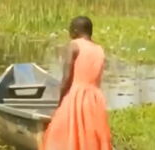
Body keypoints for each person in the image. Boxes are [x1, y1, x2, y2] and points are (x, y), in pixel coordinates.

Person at [40, 16, 112, 150]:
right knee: (90, 134)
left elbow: (67, 77)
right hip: (94, 98)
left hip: (75, 95)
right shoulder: (99, 49)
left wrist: (60, 100)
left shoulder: (74, 45)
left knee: (61, 132)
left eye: (70, 30)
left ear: (75, 30)